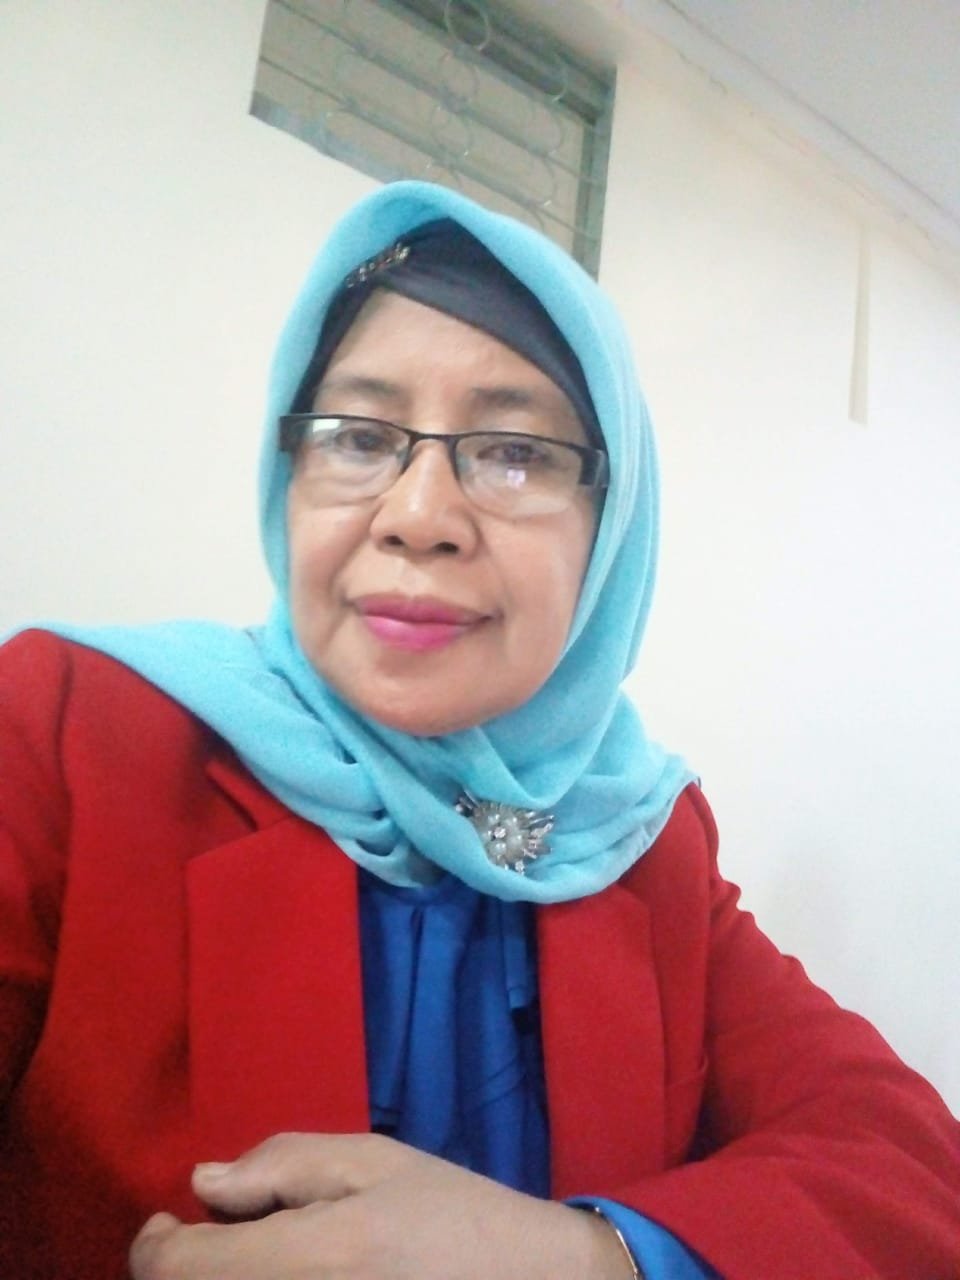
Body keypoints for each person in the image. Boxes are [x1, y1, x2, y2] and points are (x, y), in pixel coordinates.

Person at [1, 181, 958, 1280]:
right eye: (359, 436)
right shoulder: (71, 732)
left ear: (612, 530)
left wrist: (581, 1255)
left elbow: (913, 1171)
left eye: (515, 453)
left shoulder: (640, 842)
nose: (419, 517)